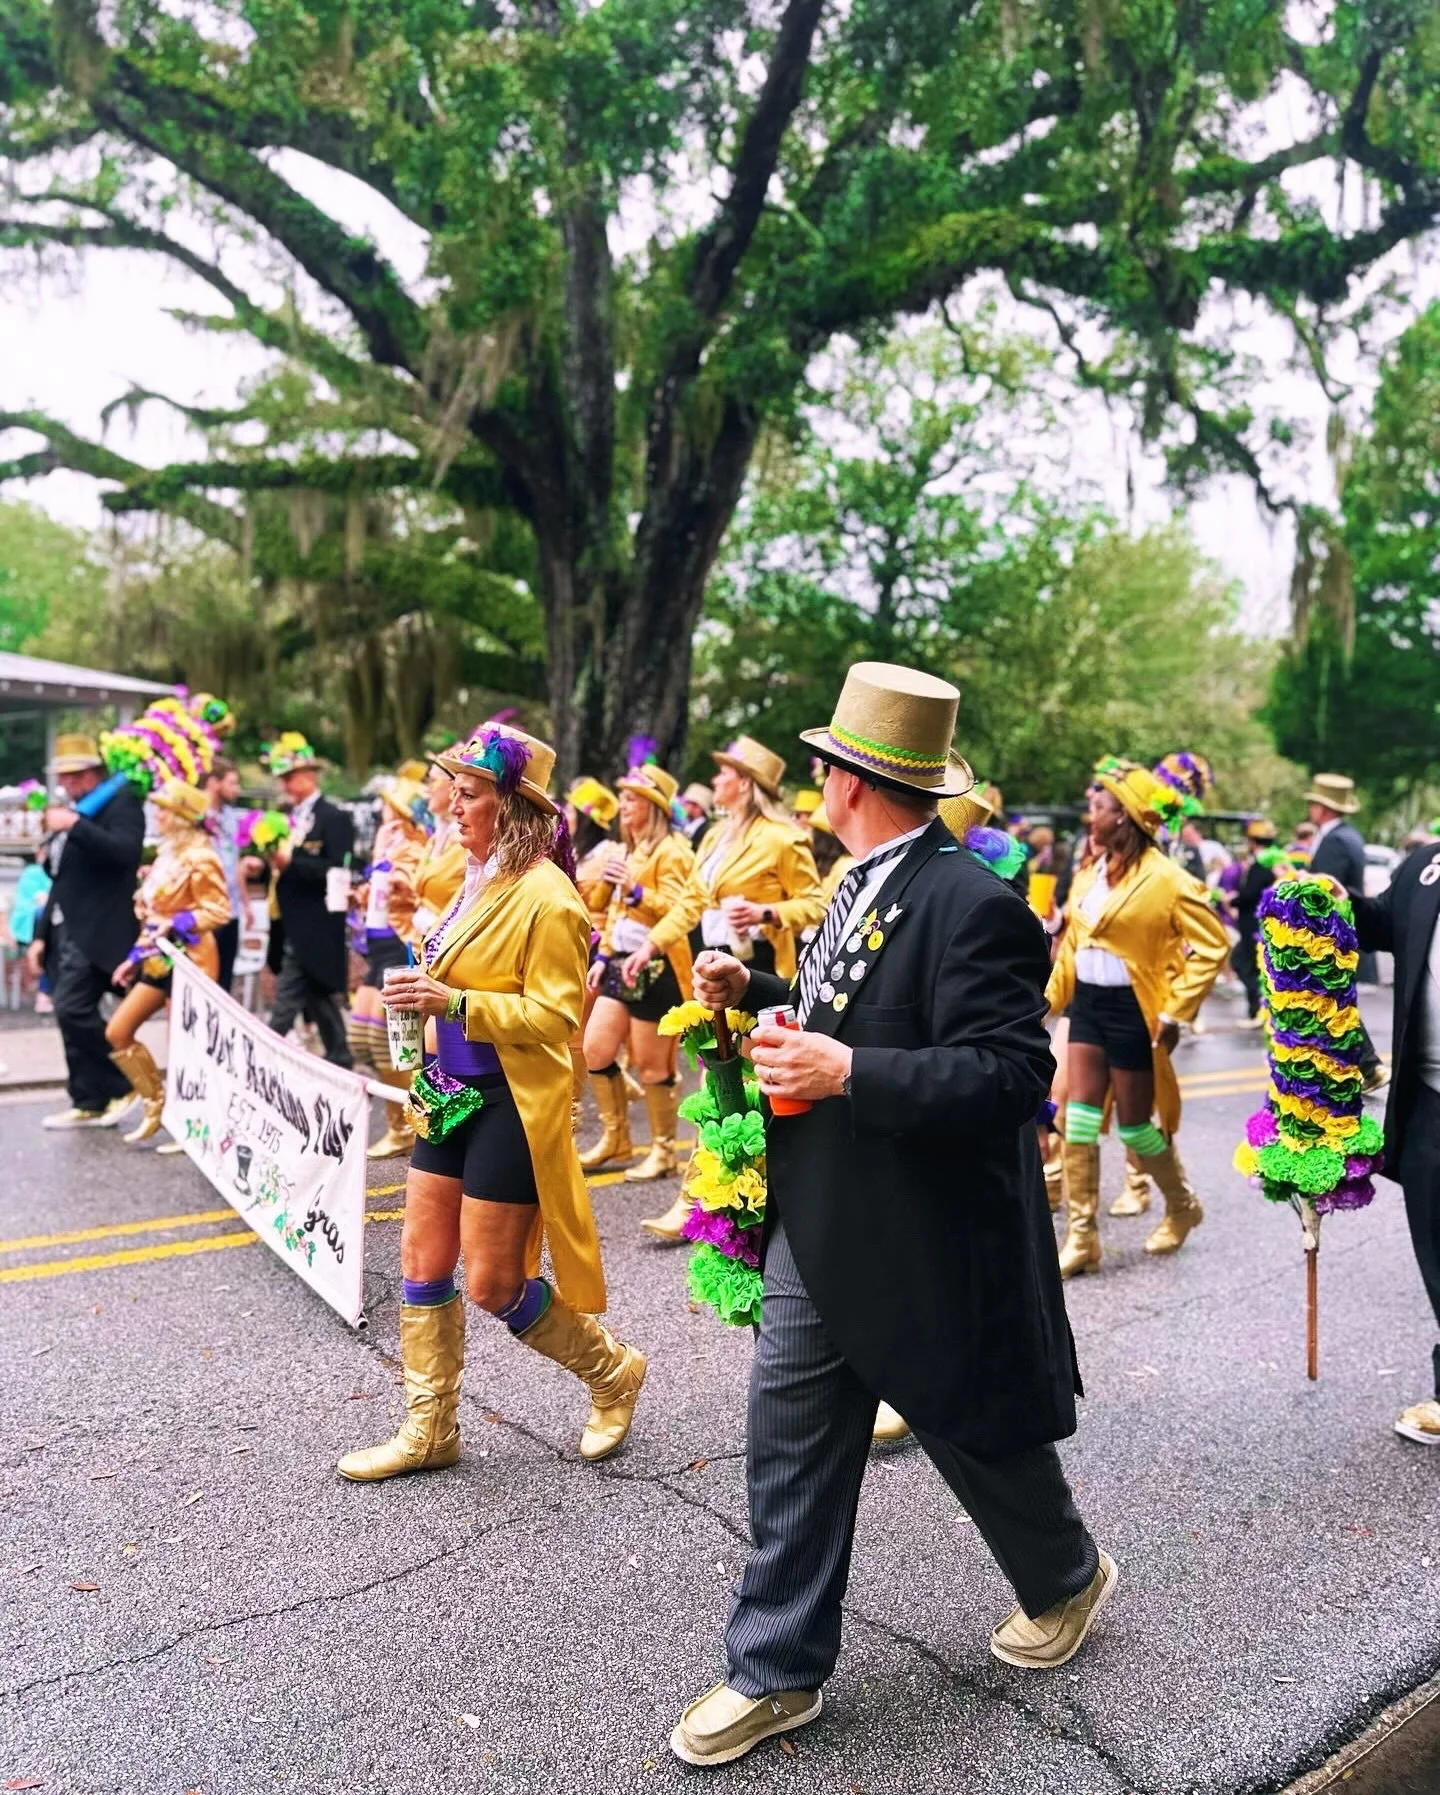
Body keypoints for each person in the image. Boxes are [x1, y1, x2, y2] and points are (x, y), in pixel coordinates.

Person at [670, 664, 1112, 1768]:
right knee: (790, 1441)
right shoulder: (861, 876)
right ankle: (776, 1669)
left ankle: (1066, 1574)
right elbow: (851, 1012)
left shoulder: (974, 901)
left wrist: (849, 1068)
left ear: (849, 776)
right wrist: (765, 996)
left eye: (822, 762)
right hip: (823, 1213)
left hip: (922, 1230)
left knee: (970, 1428)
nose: (812, 777)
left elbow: (1012, 1075)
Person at [337, 724, 645, 1481]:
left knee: (493, 1282)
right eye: (455, 791)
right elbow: (451, 961)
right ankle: (429, 1427)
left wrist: (453, 1000)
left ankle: (611, 1371)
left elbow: (555, 1018)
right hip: (449, 1089)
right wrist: (417, 967)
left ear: (511, 808)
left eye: (469, 794)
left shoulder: (550, 898)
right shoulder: (474, 876)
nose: (452, 806)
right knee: (419, 1256)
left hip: (510, 1096)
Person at [1046, 759, 1231, 1276]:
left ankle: (1183, 1205)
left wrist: (1175, 1013)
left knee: (1134, 1129)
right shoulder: (1088, 874)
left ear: (1124, 816)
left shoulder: (1168, 880)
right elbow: (1072, 950)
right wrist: (1045, 1004)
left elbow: (1213, 945)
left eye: (1099, 808)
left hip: (1134, 1011)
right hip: (1088, 1005)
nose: (1091, 816)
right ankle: (1082, 1238)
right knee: (1076, 1119)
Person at [1344, 838, 1440, 1445]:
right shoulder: (1428, 865)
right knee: (1436, 1245)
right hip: (1430, 1097)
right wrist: (1332, 902)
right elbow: (1382, 921)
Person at [579, 764, 704, 1184]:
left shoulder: (674, 851)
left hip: (660, 967)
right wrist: (603, 955)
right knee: (595, 1048)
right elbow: (613, 910)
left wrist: (635, 890)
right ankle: (617, 1138)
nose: (623, 807)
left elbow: (681, 907)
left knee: (653, 1068)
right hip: (621, 963)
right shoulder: (629, 850)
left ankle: (664, 1150)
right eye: (624, 799)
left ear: (652, 807)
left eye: (632, 799)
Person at [104, 777, 232, 1143]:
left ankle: (196, 1126)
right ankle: (155, 1103)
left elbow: (219, 910)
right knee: (118, 1031)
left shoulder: (202, 857)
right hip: (159, 959)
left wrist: (176, 923)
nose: (157, 816)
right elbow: (153, 915)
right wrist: (134, 957)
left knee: (186, 1047)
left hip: (192, 958)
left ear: (178, 817)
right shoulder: (165, 855)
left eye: (163, 810)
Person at [29, 735, 146, 1129]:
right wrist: (41, 934)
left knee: (72, 1007)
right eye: (63, 776)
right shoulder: (75, 809)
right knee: (68, 1013)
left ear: (94, 772)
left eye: (74, 775)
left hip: (100, 928)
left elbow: (125, 852)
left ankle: (123, 1083)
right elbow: (63, 878)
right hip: (65, 927)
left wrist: (76, 826)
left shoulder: (121, 803)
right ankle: (88, 1097)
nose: (67, 783)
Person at [692, 735, 824, 980]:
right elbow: (689, 899)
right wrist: (650, 946)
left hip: (760, 964)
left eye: (723, 773)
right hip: (710, 955)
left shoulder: (781, 837)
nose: (714, 780)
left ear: (744, 783)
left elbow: (816, 906)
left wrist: (765, 913)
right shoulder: (715, 836)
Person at [258, 734, 355, 1067]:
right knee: (316, 992)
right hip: (289, 918)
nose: (285, 784)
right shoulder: (288, 818)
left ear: (309, 776)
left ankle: (262, 1056)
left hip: (316, 921)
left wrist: (293, 864)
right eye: (283, 778)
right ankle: (340, 1054)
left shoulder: (334, 817)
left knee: (288, 994)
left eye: (290, 777)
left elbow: (339, 868)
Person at [350, 775, 430, 1159]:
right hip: (376, 949)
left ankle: (407, 1125)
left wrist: (387, 867)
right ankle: (404, 1118)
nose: (382, 812)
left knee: (391, 1045)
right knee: (360, 1039)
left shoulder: (414, 848)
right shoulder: (391, 846)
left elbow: (414, 887)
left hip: (401, 946)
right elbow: (377, 892)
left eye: (388, 806)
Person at [1306, 773, 1385, 1090]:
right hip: (1344, 929)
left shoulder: (1335, 839)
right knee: (1332, 1000)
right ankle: (1365, 1066)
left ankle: (1367, 1065)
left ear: (1323, 808)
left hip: (1330, 932)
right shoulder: (1349, 835)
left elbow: (1324, 887)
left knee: (1331, 1001)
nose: (1310, 809)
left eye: (1313, 803)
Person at [1231, 820, 1281, 1025]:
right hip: (1261, 923)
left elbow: (1251, 894)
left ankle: (1257, 1011)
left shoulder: (1261, 865)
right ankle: (1258, 1011)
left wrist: (1232, 899)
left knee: (1246, 965)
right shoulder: (1275, 862)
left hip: (1253, 924)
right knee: (1247, 963)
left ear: (1252, 841)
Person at [205, 757, 245, 992]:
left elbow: (234, 860)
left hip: (231, 908)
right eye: (232, 783)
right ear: (214, 782)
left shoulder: (232, 817)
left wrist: (246, 905)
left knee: (225, 980)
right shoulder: (196, 815)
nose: (236, 789)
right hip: (206, 909)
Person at [679, 782, 713, 850]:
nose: (687, 806)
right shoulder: (683, 825)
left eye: (694, 804)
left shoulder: (706, 831)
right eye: (687, 802)